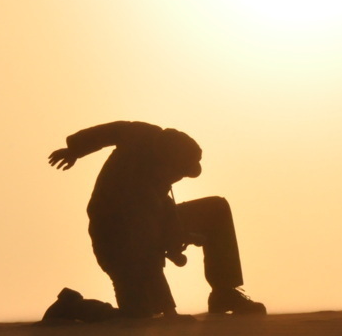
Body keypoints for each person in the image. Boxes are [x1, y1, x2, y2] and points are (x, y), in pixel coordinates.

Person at [48, 121, 266, 319]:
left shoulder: (150, 146)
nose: (178, 178)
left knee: (215, 209)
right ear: (166, 162)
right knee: (138, 315)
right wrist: (169, 312)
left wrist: (180, 235)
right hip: (116, 245)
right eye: (179, 172)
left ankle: (224, 292)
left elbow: (163, 214)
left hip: (152, 226)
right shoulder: (133, 186)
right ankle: (72, 306)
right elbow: (147, 247)